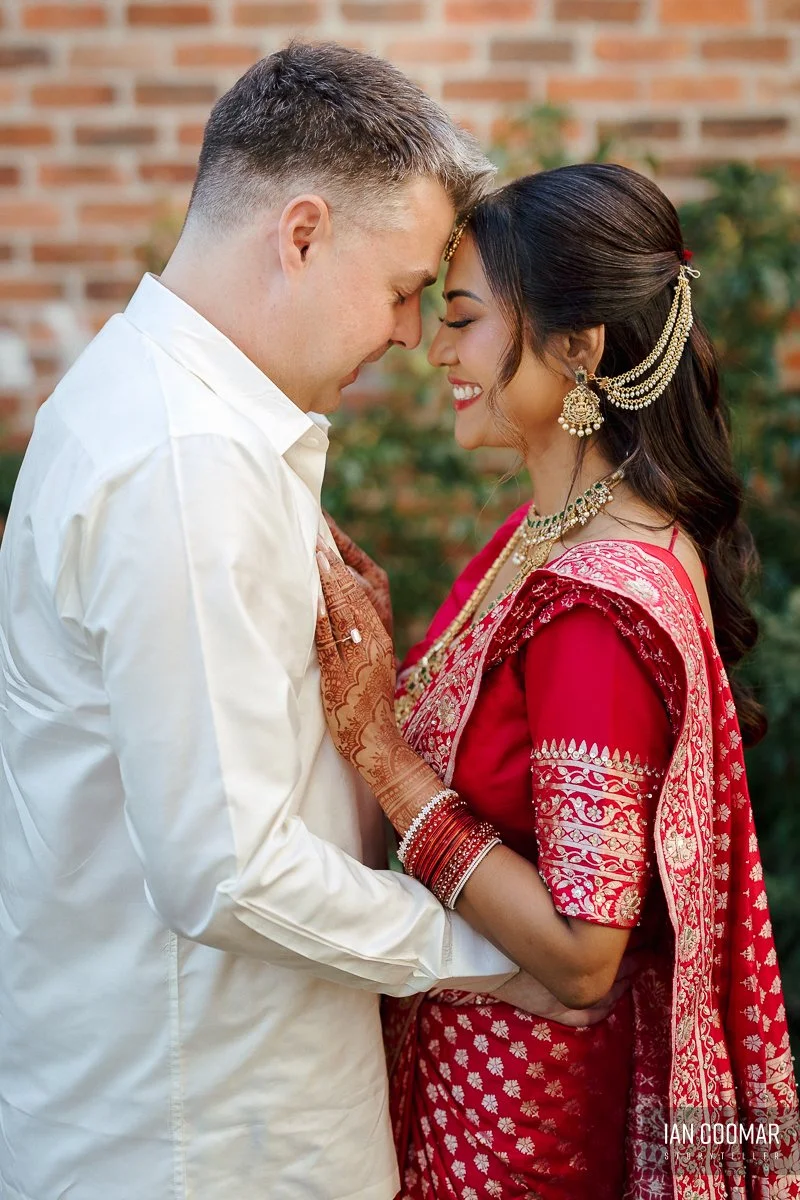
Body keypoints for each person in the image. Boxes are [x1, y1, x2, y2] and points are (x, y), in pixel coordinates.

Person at [0, 43, 607, 1200]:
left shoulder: (170, 412)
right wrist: (493, 957)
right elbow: (226, 871)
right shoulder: (188, 464)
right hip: (201, 1142)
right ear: (301, 234)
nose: (402, 334)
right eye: (397, 290)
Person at [315, 163, 800, 1198]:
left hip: (520, 1132)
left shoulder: (590, 607)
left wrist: (386, 765)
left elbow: (583, 954)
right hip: (472, 1087)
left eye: (463, 319)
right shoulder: (540, 539)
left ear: (576, 348)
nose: (436, 348)